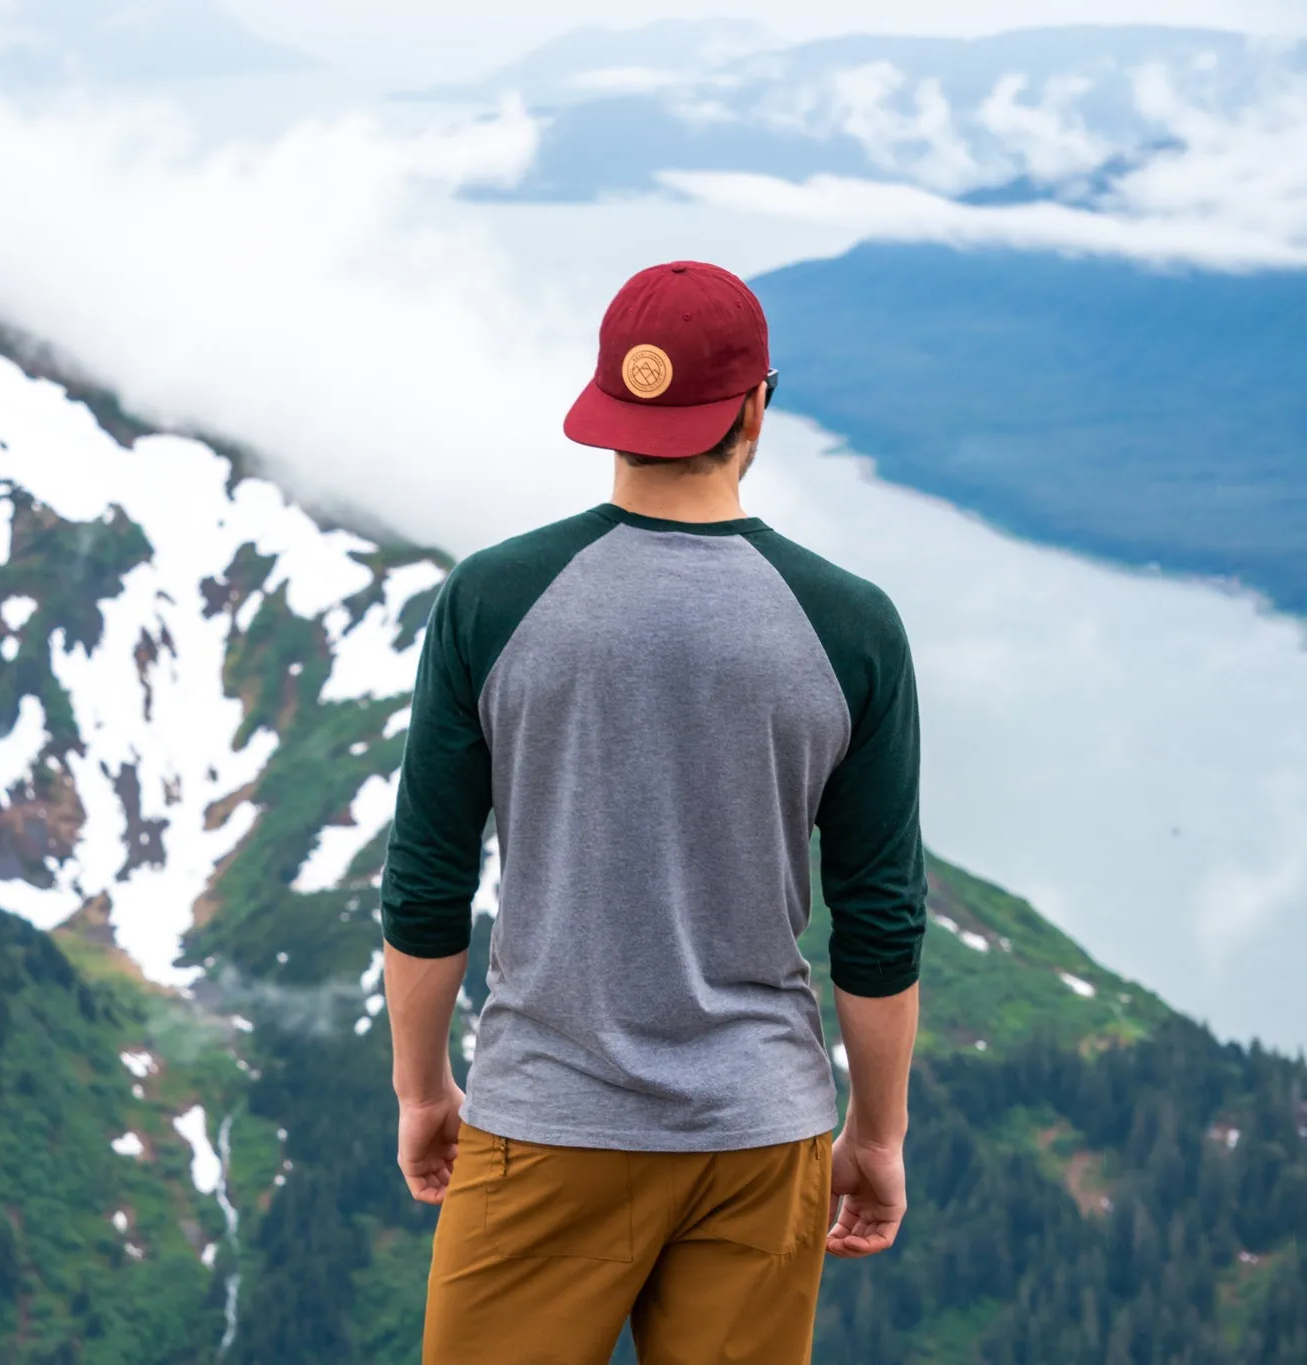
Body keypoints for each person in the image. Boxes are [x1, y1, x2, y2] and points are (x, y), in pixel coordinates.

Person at [380, 261, 927, 1365]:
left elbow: (425, 885)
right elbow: (879, 921)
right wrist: (874, 1135)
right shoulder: (851, 625)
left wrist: (422, 1090)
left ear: (609, 411)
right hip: (758, 1134)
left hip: (543, 1127)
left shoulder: (491, 599)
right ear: (755, 405)